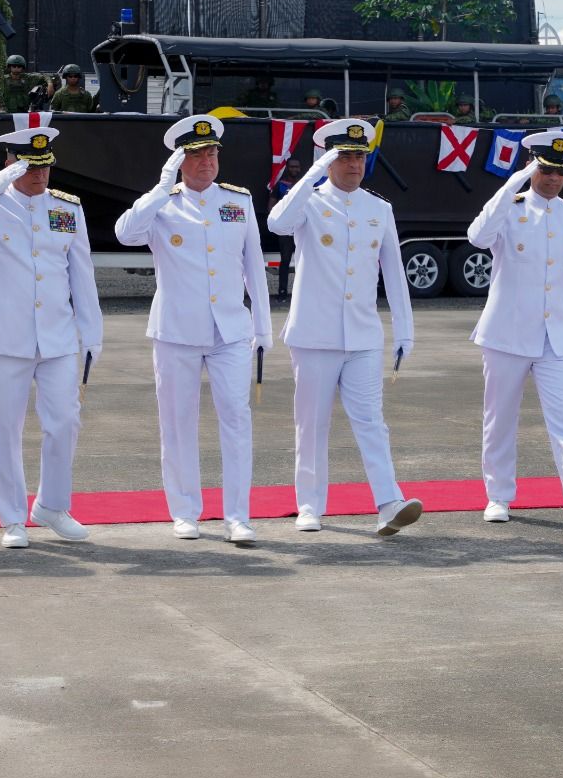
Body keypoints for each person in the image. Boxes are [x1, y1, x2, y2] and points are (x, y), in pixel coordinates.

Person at [0, 128, 102, 547]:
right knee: (4, 429)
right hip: (4, 337)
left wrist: (92, 332)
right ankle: (11, 517)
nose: (40, 175)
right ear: (11, 163)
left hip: (57, 336)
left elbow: (81, 274)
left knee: (65, 421)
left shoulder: (67, 208)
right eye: (30, 167)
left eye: (45, 166)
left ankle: (51, 505)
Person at [113, 115, 272, 542]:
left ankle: (237, 515)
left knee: (237, 419)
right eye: (197, 154)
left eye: (213, 152)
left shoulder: (238, 201)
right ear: (180, 159)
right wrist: (163, 186)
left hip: (230, 331)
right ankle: (185, 511)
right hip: (176, 331)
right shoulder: (163, 202)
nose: (207, 161)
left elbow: (253, 266)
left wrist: (263, 328)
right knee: (178, 421)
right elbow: (125, 234)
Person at [266, 119, 422, 536]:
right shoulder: (309, 204)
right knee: (312, 424)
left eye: (360, 155)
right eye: (345, 156)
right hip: (315, 336)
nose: (354, 164)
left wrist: (404, 332)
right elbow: (277, 223)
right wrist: (316, 172)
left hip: (363, 334)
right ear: (329, 157)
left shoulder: (379, 208)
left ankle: (389, 501)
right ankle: (310, 505)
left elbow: (394, 274)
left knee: (372, 420)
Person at [466, 129, 563, 536]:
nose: (553, 179)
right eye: (546, 170)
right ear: (532, 166)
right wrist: (513, 180)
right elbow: (476, 237)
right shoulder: (509, 208)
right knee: (499, 419)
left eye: (561, 172)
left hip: (559, 337)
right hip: (506, 334)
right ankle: (498, 495)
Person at [268, 156, 304, 297]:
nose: (294, 169)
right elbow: (271, 205)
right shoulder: (280, 185)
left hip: (302, 228)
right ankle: (282, 292)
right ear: (287, 168)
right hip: (286, 230)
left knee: (305, 260)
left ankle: (302, 293)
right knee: (285, 260)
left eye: (297, 167)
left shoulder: (304, 184)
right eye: (292, 166)